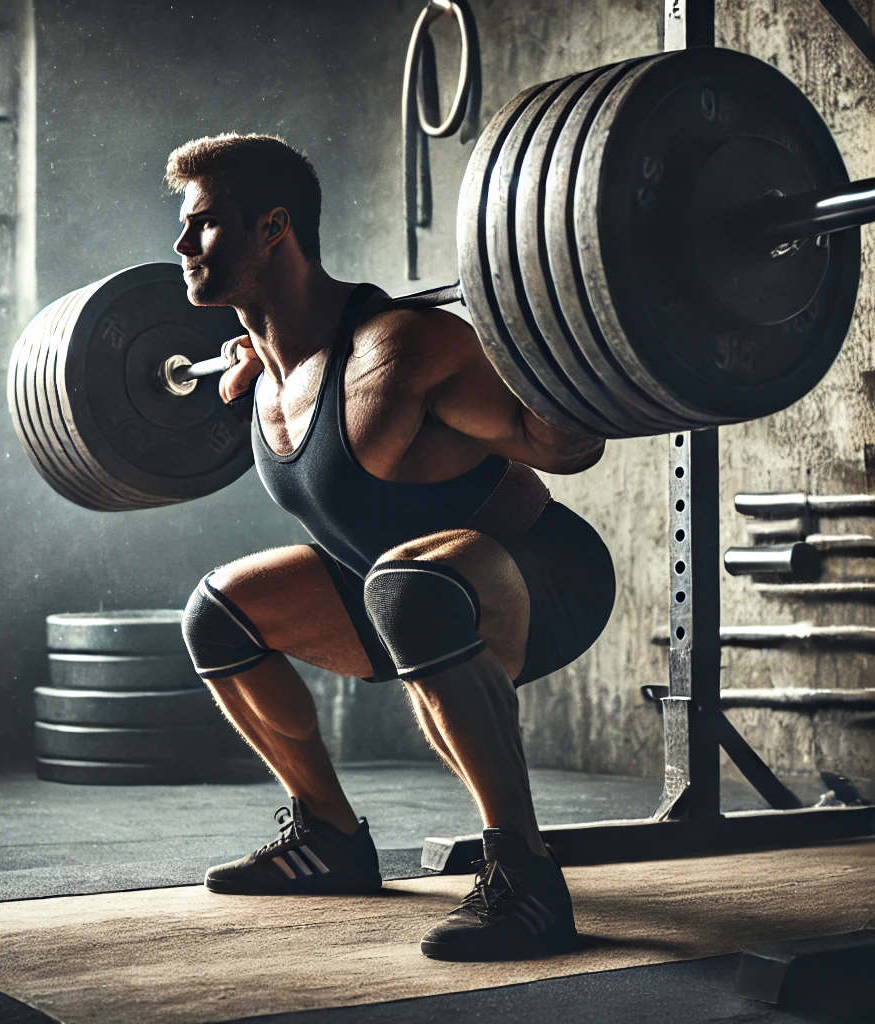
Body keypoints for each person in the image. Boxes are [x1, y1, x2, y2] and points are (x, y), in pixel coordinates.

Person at [167, 132, 615, 962]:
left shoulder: (403, 349)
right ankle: (330, 839)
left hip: (540, 575)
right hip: (394, 585)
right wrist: (254, 369)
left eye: (204, 225)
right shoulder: (261, 376)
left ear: (273, 228)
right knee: (218, 615)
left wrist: (557, 329)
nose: (182, 244)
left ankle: (525, 877)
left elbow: (564, 446)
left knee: (404, 587)